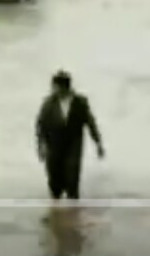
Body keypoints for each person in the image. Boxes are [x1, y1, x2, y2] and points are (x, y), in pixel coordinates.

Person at [36, 71, 104, 200]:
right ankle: (56, 214)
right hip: (53, 147)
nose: (52, 89)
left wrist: (98, 143)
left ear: (63, 87)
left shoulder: (80, 102)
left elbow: (90, 123)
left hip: (73, 147)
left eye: (55, 86)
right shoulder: (48, 103)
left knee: (72, 181)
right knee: (54, 183)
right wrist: (41, 146)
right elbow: (41, 125)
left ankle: (73, 214)